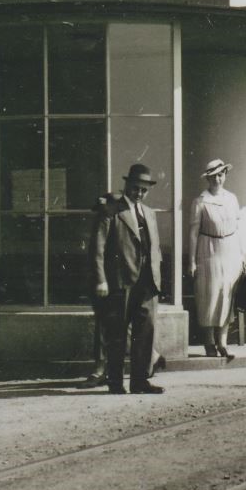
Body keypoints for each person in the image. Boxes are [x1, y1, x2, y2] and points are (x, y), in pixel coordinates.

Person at [89, 164, 165, 395]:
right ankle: (115, 383)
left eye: (143, 190)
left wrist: (157, 278)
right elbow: (97, 248)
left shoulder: (150, 214)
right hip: (121, 282)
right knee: (117, 333)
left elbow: (155, 249)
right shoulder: (112, 210)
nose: (139, 193)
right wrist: (101, 280)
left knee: (145, 332)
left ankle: (140, 381)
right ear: (126, 186)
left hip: (147, 283)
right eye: (135, 188)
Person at [188, 159, 243, 361]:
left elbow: (238, 229)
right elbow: (193, 232)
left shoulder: (232, 199)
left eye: (220, 175)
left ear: (225, 175)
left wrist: (241, 254)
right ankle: (209, 342)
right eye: (213, 176)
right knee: (208, 296)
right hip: (207, 250)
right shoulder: (200, 201)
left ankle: (223, 342)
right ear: (208, 179)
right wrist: (192, 261)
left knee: (226, 297)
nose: (217, 179)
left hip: (230, 251)